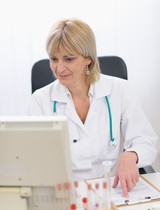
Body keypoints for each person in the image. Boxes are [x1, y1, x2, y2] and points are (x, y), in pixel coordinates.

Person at [27, 18, 157, 198]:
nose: (59, 68)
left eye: (69, 59)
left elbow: (146, 141)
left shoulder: (119, 91)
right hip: (67, 195)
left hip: (114, 191)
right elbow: (32, 157)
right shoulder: (40, 101)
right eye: (53, 59)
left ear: (88, 58)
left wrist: (131, 155)